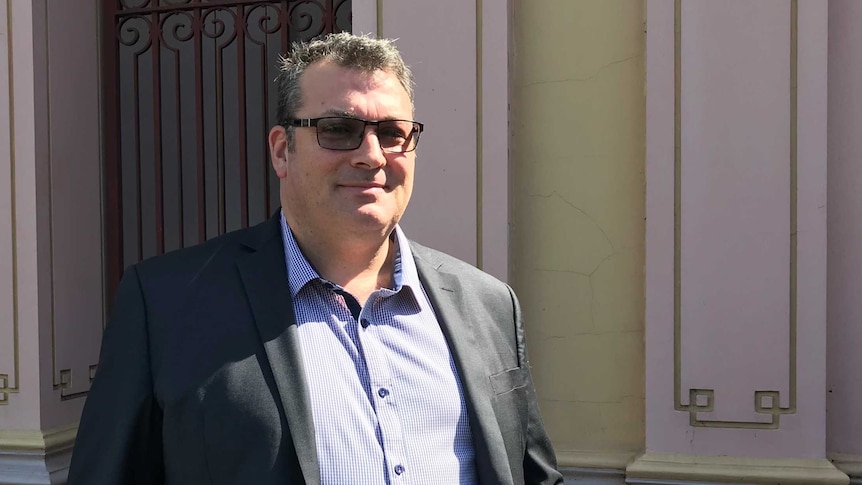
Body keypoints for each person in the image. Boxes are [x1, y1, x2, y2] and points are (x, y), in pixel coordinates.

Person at [68, 32, 562, 484]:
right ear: (282, 151)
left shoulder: (488, 304)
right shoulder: (166, 303)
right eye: (339, 129)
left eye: (392, 133)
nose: (371, 155)